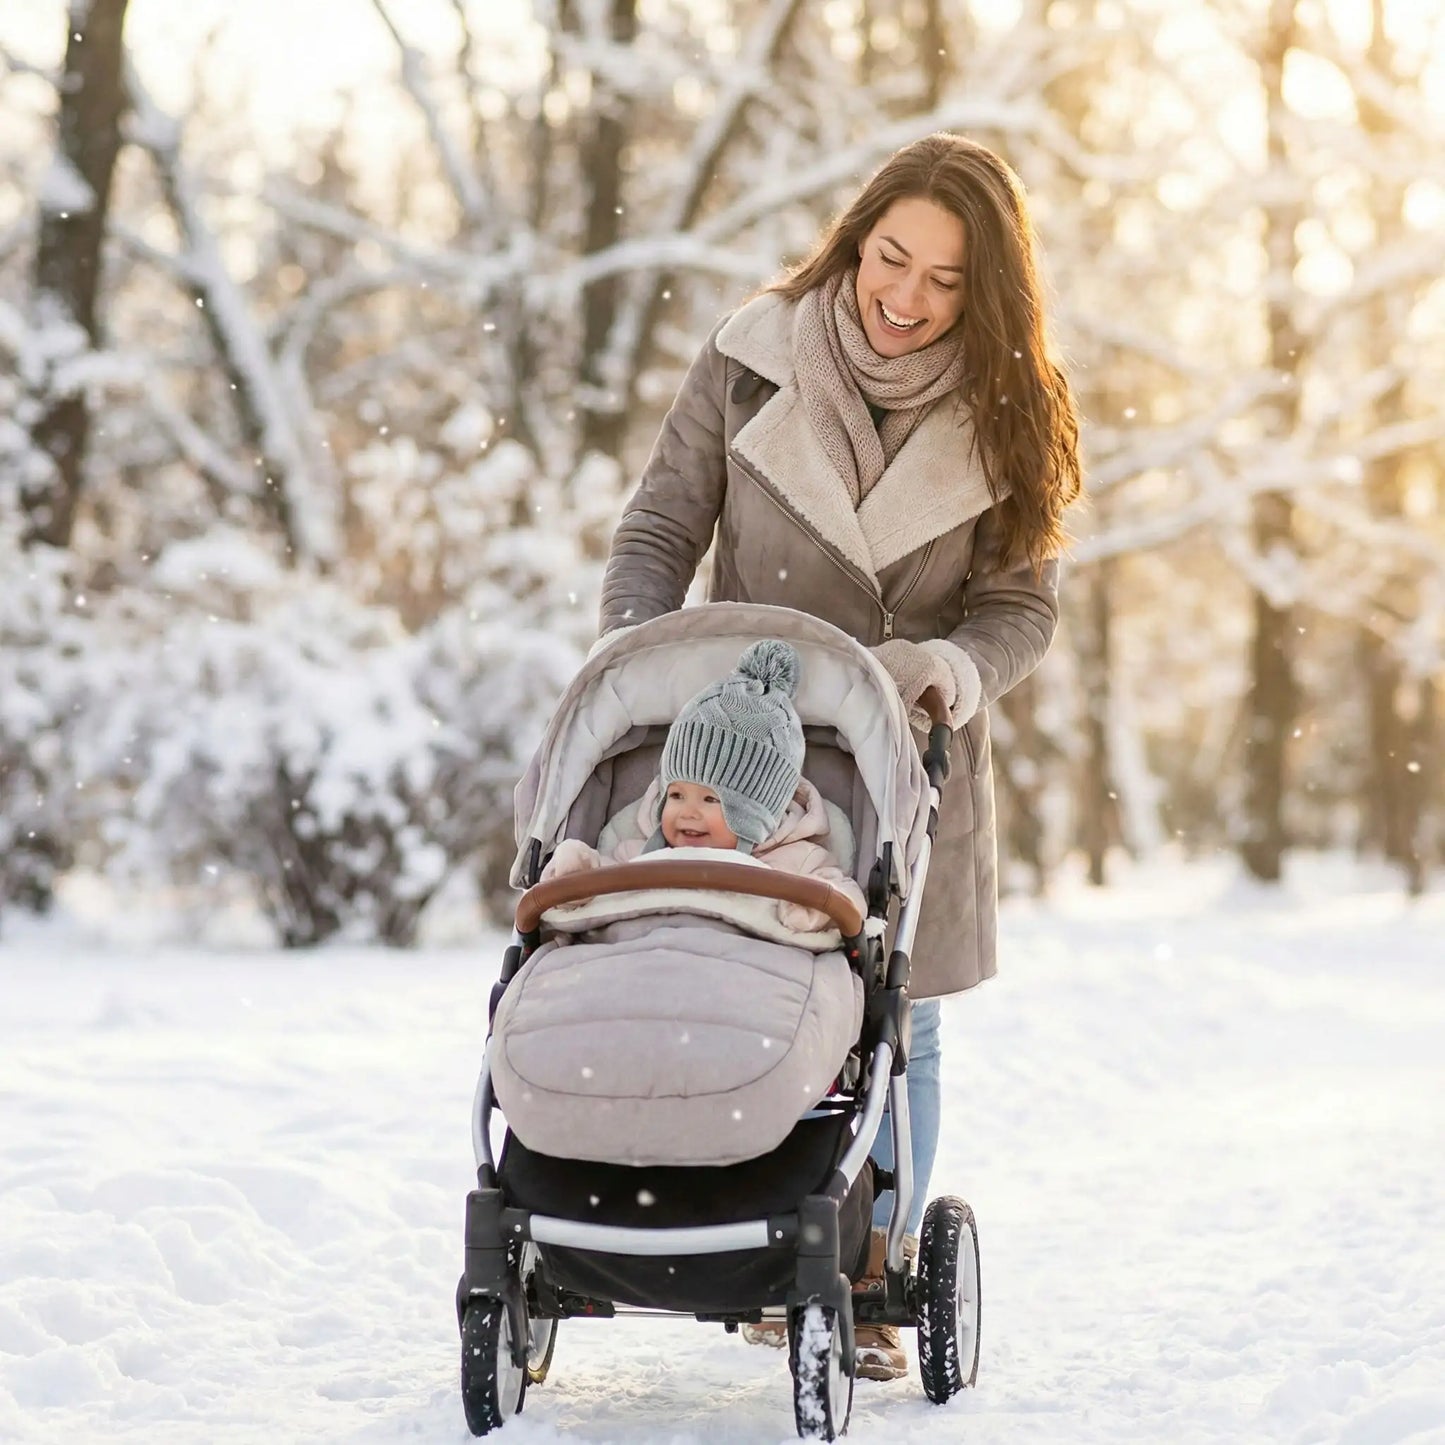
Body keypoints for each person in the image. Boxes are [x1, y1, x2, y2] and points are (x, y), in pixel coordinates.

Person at [593, 132, 1082, 1379]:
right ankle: (728, 1220)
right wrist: (642, 661)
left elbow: (1019, 609)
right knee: (733, 970)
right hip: (730, 737)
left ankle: (867, 1263)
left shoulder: (1009, 417)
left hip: (897, 751)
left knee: (894, 1016)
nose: (905, 298)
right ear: (855, 243)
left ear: (990, 292)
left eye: (946, 281)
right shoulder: (749, 356)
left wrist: (952, 668)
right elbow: (657, 527)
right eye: (889, 259)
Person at [541, 639, 866, 934]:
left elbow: (844, 897)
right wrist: (577, 870)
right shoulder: (639, 853)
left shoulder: (798, 861)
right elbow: (599, 883)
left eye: (711, 799)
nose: (687, 813)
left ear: (759, 812)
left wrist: (812, 904)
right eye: (677, 795)